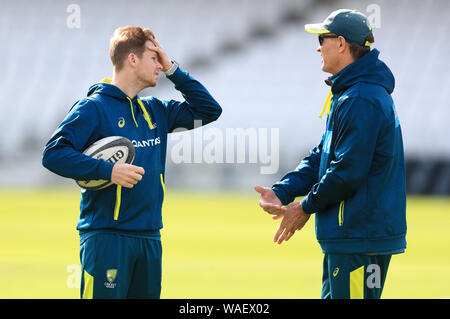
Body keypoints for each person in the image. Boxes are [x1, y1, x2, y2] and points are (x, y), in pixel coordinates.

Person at [42, 26, 222, 299]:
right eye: (153, 57)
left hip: (150, 237)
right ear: (132, 59)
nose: (160, 64)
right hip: (107, 238)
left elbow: (209, 110)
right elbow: (53, 154)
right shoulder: (93, 107)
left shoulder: (156, 110)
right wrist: (108, 170)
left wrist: (173, 69)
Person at [254, 9, 406, 299]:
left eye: (322, 38)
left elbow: (348, 170)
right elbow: (323, 154)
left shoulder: (360, 97)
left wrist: (305, 207)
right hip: (352, 237)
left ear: (341, 43)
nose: (318, 46)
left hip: (359, 237)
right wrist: (282, 192)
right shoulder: (352, 92)